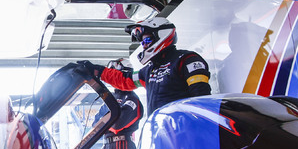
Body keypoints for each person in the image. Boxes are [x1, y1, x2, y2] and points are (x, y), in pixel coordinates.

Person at [77, 15, 211, 113]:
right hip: (160, 130)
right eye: (142, 42)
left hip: (185, 130)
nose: (144, 45)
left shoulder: (186, 59)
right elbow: (124, 80)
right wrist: (97, 70)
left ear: (162, 35)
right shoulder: (149, 70)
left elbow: (201, 98)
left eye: (146, 40)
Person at [89, 60, 143, 149]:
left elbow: (117, 124)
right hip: (107, 146)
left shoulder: (132, 99)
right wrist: (107, 121)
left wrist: (104, 122)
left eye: (115, 74)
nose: (111, 78)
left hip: (122, 147)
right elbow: (95, 125)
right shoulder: (110, 97)